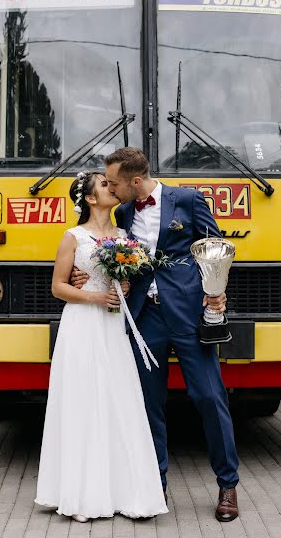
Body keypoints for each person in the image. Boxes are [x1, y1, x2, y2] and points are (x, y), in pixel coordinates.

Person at [72, 148, 240, 522]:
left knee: (209, 396)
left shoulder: (189, 200)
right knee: (147, 404)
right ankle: (155, 484)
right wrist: (81, 276)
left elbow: (217, 250)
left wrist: (217, 293)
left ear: (135, 180)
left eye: (114, 182)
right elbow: (103, 251)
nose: (111, 189)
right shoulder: (124, 213)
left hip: (188, 315)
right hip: (144, 319)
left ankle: (228, 484)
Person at [35, 171, 168, 522]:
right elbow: (58, 288)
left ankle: (122, 489)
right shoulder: (72, 237)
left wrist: (122, 286)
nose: (113, 187)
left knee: (117, 398)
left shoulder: (124, 235)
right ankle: (83, 492)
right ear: (91, 198)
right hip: (82, 325)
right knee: (84, 401)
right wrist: (97, 295)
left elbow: (125, 281)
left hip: (113, 327)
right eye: (105, 185)